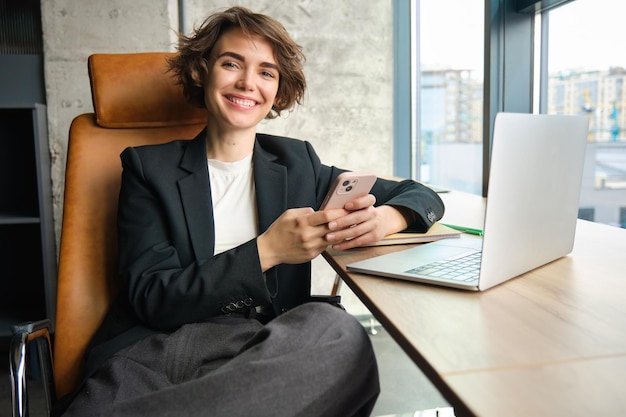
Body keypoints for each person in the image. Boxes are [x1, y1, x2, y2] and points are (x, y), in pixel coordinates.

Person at [59, 6, 444, 417]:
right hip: (158, 348)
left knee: (338, 334)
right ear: (202, 72)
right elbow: (154, 299)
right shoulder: (147, 169)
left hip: (260, 346)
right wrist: (267, 251)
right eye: (231, 64)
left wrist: (388, 218)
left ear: (278, 91)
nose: (247, 82)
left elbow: (421, 195)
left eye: (266, 72)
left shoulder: (298, 164)